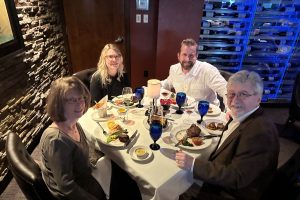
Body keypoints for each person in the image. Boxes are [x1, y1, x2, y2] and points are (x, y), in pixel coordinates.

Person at [175, 70, 279, 200]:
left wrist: (193, 164)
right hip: (223, 179)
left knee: (174, 191)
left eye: (243, 94)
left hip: (230, 193)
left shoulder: (260, 132)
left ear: (258, 98)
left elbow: (236, 177)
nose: (235, 100)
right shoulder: (244, 116)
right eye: (231, 94)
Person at [39, 76, 106, 200]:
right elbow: (67, 187)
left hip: (83, 176)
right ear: (59, 104)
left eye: (81, 98)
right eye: (71, 100)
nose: (80, 103)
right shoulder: (56, 140)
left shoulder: (74, 122)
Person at [161, 38, 228, 109]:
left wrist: (230, 111)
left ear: (196, 56)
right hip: (183, 112)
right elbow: (168, 83)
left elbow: (226, 90)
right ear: (178, 56)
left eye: (191, 56)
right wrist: (156, 85)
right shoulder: (174, 69)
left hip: (207, 114)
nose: (187, 59)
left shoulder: (208, 70)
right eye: (184, 54)